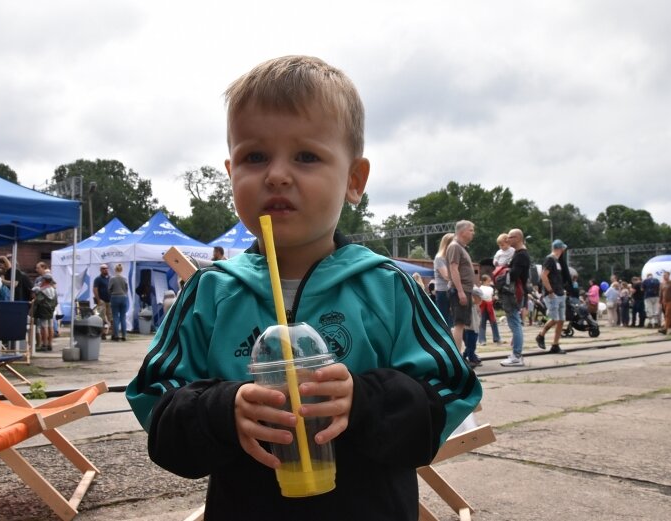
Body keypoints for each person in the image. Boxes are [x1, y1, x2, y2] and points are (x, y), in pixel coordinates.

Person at [126, 55, 481, 521]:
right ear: (231, 173)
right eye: (255, 157)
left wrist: (364, 400)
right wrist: (222, 410)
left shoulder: (388, 288)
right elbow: (157, 406)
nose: (276, 174)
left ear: (354, 181)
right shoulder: (210, 293)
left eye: (306, 156)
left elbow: (451, 394)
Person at [499, 229, 531, 366]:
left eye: (510, 237)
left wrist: (502, 273)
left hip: (514, 293)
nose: (508, 240)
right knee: (514, 322)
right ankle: (516, 353)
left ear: (517, 238)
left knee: (514, 323)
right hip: (517, 292)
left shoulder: (521, 255)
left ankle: (516, 355)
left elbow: (514, 275)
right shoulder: (520, 254)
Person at [446, 220, 476, 354]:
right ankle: (457, 356)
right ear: (462, 232)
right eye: (471, 230)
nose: (473, 233)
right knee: (459, 324)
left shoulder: (461, 247)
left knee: (461, 324)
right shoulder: (455, 247)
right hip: (461, 290)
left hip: (465, 290)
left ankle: (457, 354)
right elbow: (453, 268)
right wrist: (460, 291)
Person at [536, 239, 568, 355]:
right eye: (563, 249)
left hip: (559, 293)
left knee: (561, 320)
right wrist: (550, 291)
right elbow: (544, 275)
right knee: (554, 318)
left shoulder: (557, 261)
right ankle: (541, 335)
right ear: (560, 249)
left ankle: (555, 344)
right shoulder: (550, 259)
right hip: (552, 294)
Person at [32, 272, 57, 351]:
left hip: (43, 310)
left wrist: (34, 302)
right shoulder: (53, 290)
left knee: (44, 327)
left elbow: (38, 300)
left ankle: (44, 344)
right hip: (51, 310)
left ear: (45, 280)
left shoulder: (42, 290)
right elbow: (56, 301)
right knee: (51, 326)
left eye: (43, 280)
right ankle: (50, 344)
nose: (42, 281)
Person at [433, 233, 454, 324]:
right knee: (444, 318)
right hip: (443, 291)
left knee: (454, 318)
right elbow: (446, 276)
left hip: (452, 290)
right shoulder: (439, 258)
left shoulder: (452, 257)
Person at [477, 274, 500, 346]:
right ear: (484, 281)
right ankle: (482, 339)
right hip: (483, 307)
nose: (490, 282)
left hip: (489, 306)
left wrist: (494, 299)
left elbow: (491, 297)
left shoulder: (491, 288)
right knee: (482, 324)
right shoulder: (480, 288)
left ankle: (496, 338)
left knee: (493, 323)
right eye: (488, 281)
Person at [464, 286, 484, 367]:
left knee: (470, 345)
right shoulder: (471, 304)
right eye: (479, 298)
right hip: (470, 329)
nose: (481, 300)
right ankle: (471, 359)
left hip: (475, 329)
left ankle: (465, 356)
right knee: (471, 345)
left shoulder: (476, 305)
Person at [108, 263, 129, 341]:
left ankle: (116, 335)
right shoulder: (124, 278)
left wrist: (112, 293)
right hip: (123, 297)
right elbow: (127, 289)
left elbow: (109, 289)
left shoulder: (112, 279)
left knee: (115, 316)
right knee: (123, 317)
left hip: (115, 297)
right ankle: (124, 335)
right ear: (122, 270)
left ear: (115, 270)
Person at [93, 264, 113, 340]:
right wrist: (98, 300)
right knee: (102, 318)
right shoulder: (98, 279)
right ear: (101, 270)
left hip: (109, 300)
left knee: (111, 317)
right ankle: (102, 333)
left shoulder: (110, 278)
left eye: (107, 268)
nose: (106, 270)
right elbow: (95, 289)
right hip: (102, 301)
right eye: (104, 269)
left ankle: (113, 333)